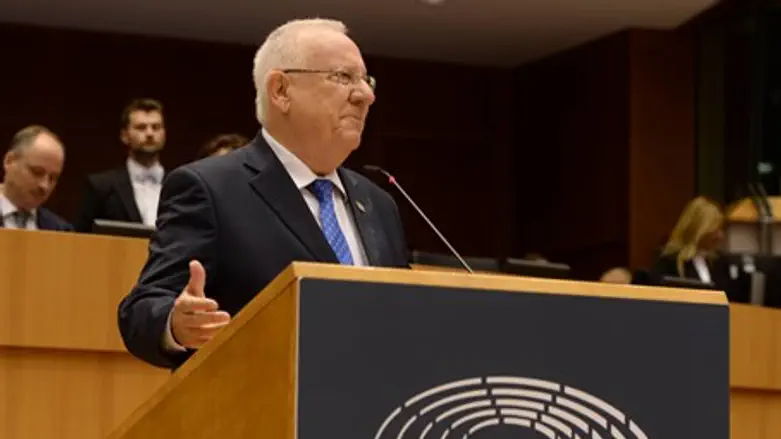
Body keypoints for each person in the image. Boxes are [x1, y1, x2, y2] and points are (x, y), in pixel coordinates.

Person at [118, 18, 410, 369]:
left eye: (366, 79)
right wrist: (176, 324)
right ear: (281, 91)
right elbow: (142, 308)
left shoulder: (379, 203)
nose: (365, 95)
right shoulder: (211, 188)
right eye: (342, 77)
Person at [75, 98, 166, 232]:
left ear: (164, 134)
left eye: (156, 127)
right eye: (141, 127)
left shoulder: (181, 186)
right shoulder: (100, 186)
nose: (150, 133)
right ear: (124, 135)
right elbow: (82, 238)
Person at [0, 125, 71, 231]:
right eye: (37, 172)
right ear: (9, 161)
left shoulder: (61, 230)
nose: (44, 186)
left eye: (52, 178)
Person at [652, 196, 731, 289]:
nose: (720, 236)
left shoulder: (718, 263)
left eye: (721, 229)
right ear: (699, 230)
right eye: (715, 230)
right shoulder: (669, 262)